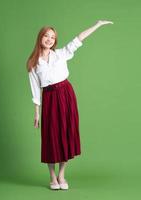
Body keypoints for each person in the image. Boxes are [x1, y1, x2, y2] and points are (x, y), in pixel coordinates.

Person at [26, 20, 113, 190]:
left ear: (55, 41)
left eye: (53, 37)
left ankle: (61, 175)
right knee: (51, 136)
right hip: (49, 98)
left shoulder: (61, 54)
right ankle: (52, 177)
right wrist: (37, 112)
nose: (49, 39)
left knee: (66, 133)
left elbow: (79, 38)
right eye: (46, 36)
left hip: (66, 94)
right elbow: (36, 90)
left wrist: (98, 25)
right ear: (40, 38)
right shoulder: (33, 63)